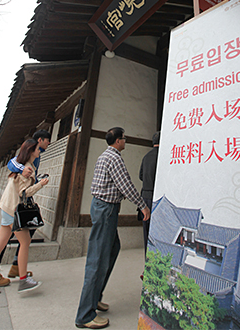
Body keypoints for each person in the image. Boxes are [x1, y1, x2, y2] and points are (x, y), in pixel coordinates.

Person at [75, 127, 150, 329]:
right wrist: (142, 205)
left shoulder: (104, 156)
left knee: (113, 249)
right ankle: (85, 315)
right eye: (124, 138)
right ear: (118, 141)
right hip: (106, 209)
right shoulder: (114, 158)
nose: (125, 141)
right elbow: (125, 184)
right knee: (97, 259)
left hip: (102, 208)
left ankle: (95, 297)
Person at [0, 139, 49, 296]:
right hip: (13, 209)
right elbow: (24, 193)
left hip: (6, 207)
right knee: (25, 241)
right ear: (31, 151)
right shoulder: (28, 168)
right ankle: (23, 279)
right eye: (37, 149)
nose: (39, 151)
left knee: (0, 245)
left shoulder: (19, 164)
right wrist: (41, 184)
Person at [139, 131, 160, 256]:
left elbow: (141, 175)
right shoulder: (162, 156)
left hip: (145, 196)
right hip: (157, 197)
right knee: (158, 233)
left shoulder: (146, 157)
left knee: (146, 232)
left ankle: (146, 263)